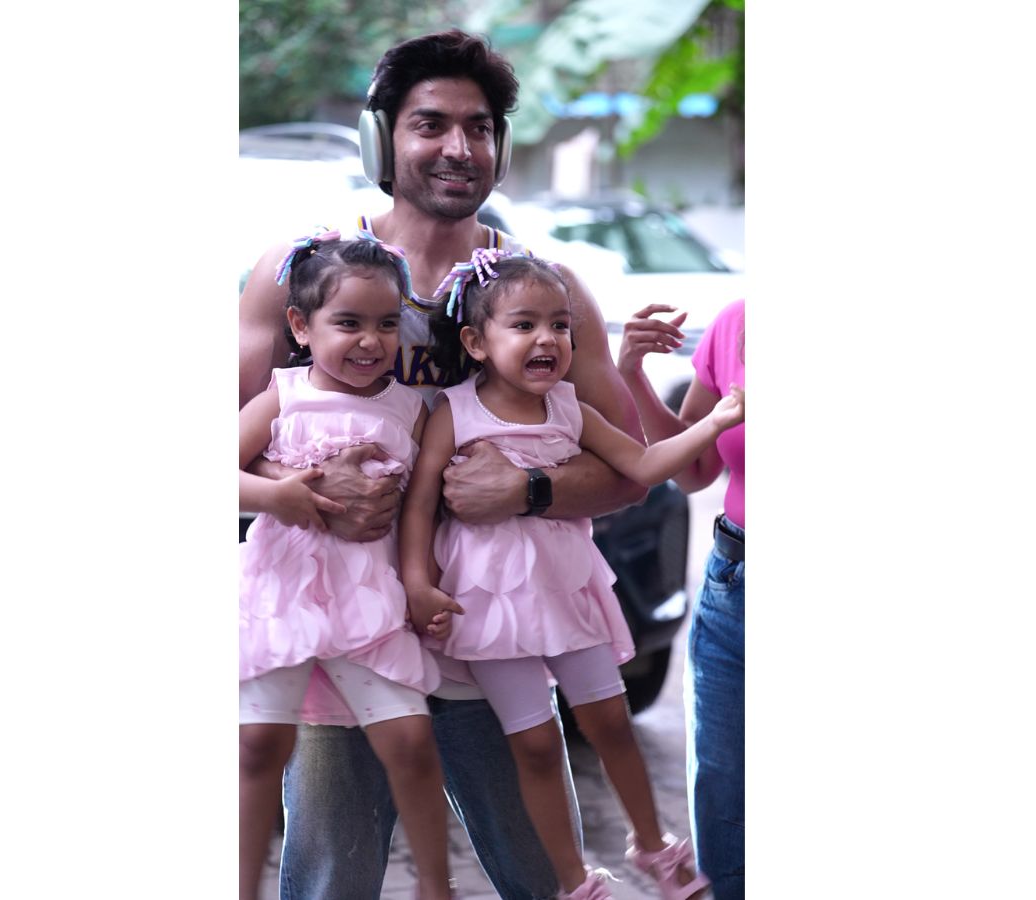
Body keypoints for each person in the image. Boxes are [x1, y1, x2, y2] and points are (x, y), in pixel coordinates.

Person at [237, 29, 648, 900]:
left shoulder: (544, 294)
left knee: (544, 875)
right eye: (431, 124)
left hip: (489, 629)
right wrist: (300, 495)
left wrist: (528, 488)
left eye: (480, 127)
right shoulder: (299, 275)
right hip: (345, 632)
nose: (460, 146)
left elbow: (628, 469)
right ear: (379, 138)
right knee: (331, 878)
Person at [399, 251, 742, 900]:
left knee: (610, 721)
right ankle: (573, 879)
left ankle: (653, 845)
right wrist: (418, 583)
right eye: (524, 325)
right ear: (476, 342)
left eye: (560, 325)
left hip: (566, 587)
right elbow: (419, 505)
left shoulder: (570, 408)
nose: (547, 339)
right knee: (533, 744)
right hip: (488, 602)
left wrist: (715, 424)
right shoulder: (453, 412)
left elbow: (644, 468)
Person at [238, 234, 458, 900]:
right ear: (301, 326)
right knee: (258, 746)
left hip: (368, 599)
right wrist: (276, 495)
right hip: (283, 594)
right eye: (349, 323)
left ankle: (436, 886)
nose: (370, 341)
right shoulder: (283, 395)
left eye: (387, 324)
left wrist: (419, 583)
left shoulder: (412, 410)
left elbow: (419, 509)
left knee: (410, 742)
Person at [615, 299, 746, 900]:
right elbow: (694, 469)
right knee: (723, 793)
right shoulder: (737, 321)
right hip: (734, 584)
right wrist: (634, 374)